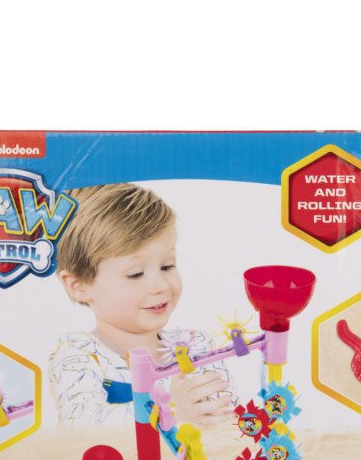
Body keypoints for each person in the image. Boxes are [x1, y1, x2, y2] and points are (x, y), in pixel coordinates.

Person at [48, 183, 235, 427]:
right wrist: (170, 411)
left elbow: (229, 422)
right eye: (136, 274)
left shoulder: (197, 346)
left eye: (167, 266)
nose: (160, 286)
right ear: (79, 285)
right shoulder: (79, 356)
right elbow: (81, 427)